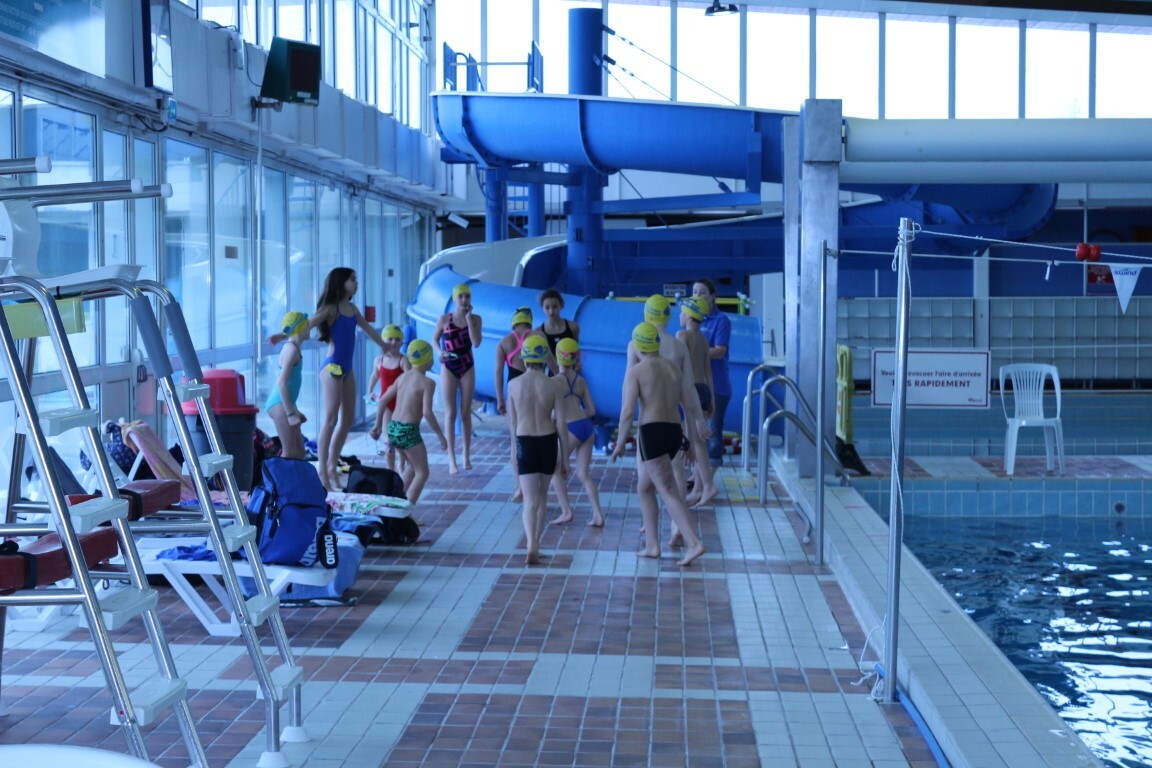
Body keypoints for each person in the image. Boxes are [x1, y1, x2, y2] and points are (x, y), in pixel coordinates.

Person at [268, 267, 387, 490]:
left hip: (347, 368)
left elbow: (369, 330)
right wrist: (283, 334)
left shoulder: (352, 309)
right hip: (332, 367)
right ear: (340, 282)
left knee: (348, 420)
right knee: (331, 420)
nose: (356, 283)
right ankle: (322, 469)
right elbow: (308, 323)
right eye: (352, 279)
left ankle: (332, 465)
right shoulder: (332, 308)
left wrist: (384, 347)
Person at [612, 322, 707, 567]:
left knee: (667, 490)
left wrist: (620, 442)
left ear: (638, 346)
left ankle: (693, 542)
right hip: (674, 432)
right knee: (645, 487)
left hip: (652, 433)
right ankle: (652, 545)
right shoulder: (673, 368)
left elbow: (627, 412)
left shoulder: (636, 371)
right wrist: (690, 442)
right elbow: (689, 405)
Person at [506, 335, 569, 565]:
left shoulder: (513, 385)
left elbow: (512, 424)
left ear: (524, 358)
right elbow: (561, 424)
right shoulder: (554, 385)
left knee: (529, 501)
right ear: (544, 358)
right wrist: (566, 459)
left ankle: (531, 543)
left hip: (525, 441)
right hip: (548, 441)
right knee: (542, 497)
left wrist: (515, 452)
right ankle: (537, 543)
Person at [375, 339, 447, 509]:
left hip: (393, 428)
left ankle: (394, 504)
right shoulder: (428, 383)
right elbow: (427, 413)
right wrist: (441, 436)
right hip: (408, 430)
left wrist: (378, 425)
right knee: (423, 472)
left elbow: (383, 399)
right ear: (428, 360)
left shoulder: (402, 377)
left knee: (413, 467)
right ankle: (405, 513)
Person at [548, 338, 604, 527]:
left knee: (555, 469)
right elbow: (592, 410)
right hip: (586, 427)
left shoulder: (554, 382)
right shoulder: (581, 381)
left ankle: (566, 512)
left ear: (558, 356)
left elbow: (553, 413)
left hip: (570, 428)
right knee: (583, 474)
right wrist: (578, 416)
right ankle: (597, 514)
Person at [433, 282, 482, 474]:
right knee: (450, 412)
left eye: (467, 296)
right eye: (460, 296)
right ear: (455, 299)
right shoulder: (444, 319)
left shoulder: (476, 319)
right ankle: (451, 459)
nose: (464, 299)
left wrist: (469, 320)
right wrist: (439, 352)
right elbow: (434, 339)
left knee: (465, 412)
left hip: (467, 366)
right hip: (449, 367)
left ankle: (466, 455)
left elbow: (476, 343)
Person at [677, 296, 720, 507]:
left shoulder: (682, 335)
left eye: (681, 311)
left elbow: (678, 366)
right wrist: (712, 399)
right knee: (698, 440)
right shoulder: (703, 340)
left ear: (688, 314)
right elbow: (708, 372)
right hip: (703, 389)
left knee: (697, 442)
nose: (679, 315)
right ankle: (697, 489)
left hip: (690, 390)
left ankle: (708, 486)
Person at [495, 307, 534, 502]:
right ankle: (534, 482)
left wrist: (500, 399)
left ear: (513, 323)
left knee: (515, 439)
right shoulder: (537, 337)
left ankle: (519, 487)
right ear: (530, 322)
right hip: (534, 387)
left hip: (513, 390)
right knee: (535, 433)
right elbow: (551, 365)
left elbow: (498, 372)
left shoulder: (504, 342)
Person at [693, 278, 732, 468]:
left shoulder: (721, 320)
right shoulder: (694, 320)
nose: (697, 296)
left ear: (712, 296)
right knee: (697, 433)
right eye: (694, 292)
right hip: (698, 384)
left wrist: (694, 351)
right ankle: (699, 477)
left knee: (713, 433)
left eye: (702, 292)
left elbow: (720, 350)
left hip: (717, 385)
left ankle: (708, 478)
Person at [265, 311, 309, 460]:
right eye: (307, 326)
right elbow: (282, 382)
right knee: (289, 452)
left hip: (286, 403)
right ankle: (277, 476)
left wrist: (294, 410)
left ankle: (295, 477)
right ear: (300, 328)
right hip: (279, 404)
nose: (310, 328)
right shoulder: (290, 350)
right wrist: (290, 414)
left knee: (300, 453)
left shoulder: (294, 347)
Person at [366, 324, 410, 470]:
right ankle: (390, 471)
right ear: (383, 342)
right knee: (388, 440)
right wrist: (370, 390)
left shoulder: (403, 361)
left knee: (400, 437)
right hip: (386, 406)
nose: (393, 342)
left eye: (397, 339)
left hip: (401, 404)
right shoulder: (379, 360)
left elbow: (411, 380)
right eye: (390, 339)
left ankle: (402, 459)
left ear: (402, 343)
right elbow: (375, 375)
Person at [535, 288, 579, 373]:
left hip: (569, 370)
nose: (551, 311)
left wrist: (578, 362)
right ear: (542, 308)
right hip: (549, 373)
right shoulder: (539, 332)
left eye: (554, 307)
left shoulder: (573, 327)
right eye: (547, 308)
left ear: (561, 306)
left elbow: (576, 349)